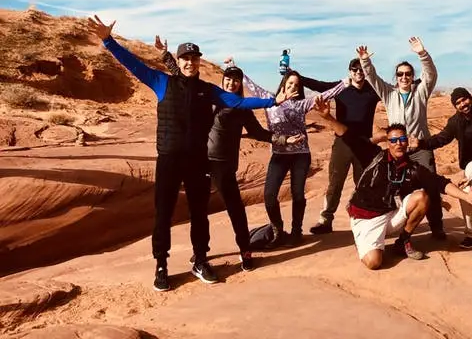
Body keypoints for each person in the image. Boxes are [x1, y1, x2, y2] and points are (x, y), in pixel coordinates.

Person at [87, 16, 293, 292]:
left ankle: (201, 260)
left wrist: (273, 100)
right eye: (186, 58)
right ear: (179, 60)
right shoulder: (162, 82)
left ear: (198, 62)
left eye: (194, 58)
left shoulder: (208, 91)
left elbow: (239, 101)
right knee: (163, 213)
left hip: (198, 161)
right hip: (169, 160)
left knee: (199, 213)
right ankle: (161, 265)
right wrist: (108, 41)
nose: (190, 62)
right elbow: (133, 64)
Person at [157, 40, 302, 272]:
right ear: (223, 80)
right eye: (228, 78)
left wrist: (284, 139)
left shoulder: (242, 108)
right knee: (199, 211)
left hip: (224, 166)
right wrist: (165, 55)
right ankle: (200, 255)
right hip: (202, 162)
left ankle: (245, 250)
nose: (231, 82)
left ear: (239, 83)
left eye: (236, 80)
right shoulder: (206, 95)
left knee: (235, 209)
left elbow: (260, 134)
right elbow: (180, 76)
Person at [346, 124, 472, 270]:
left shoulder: (412, 167)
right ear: (387, 143)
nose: (399, 144)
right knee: (374, 263)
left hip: (391, 214)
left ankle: (403, 242)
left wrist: (466, 196)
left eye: (402, 139)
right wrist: (327, 117)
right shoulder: (375, 156)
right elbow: (349, 138)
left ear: (407, 141)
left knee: (422, 197)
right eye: (394, 140)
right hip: (367, 217)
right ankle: (362, 239)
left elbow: (439, 182)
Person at [241, 69, 348, 246]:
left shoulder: (301, 104)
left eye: (296, 85)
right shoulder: (270, 99)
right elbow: (252, 86)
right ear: (283, 84)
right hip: (279, 155)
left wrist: (345, 83)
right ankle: (277, 230)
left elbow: (327, 95)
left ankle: (296, 231)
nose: (293, 87)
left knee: (298, 194)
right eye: (290, 83)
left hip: (300, 155)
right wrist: (234, 67)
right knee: (269, 195)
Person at [356, 37, 446, 239]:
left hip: (420, 149)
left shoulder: (421, 92)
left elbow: (431, 75)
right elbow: (373, 79)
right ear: (396, 77)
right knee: (404, 189)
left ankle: (437, 226)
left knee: (431, 186)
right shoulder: (389, 93)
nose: (404, 77)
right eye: (400, 74)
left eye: (408, 74)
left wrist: (422, 53)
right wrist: (365, 62)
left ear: (413, 76)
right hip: (399, 150)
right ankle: (406, 231)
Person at [299, 59, 381, 235]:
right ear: (349, 71)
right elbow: (318, 85)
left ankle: (364, 220)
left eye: (361, 70)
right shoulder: (340, 88)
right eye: (354, 69)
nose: (358, 72)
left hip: (365, 144)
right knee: (335, 183)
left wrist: (417, 82)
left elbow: (394, 91)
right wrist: (298, 77)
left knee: (363, 184)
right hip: (343, 143)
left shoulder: (373, 90)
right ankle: (326, 220)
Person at [413, 86, 472, 248]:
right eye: (458, 103)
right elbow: (441, 139)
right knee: (466, 194)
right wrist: (421, 143)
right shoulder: (456, 122)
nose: (463, 104)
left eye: (464, 99)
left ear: (470, 97)